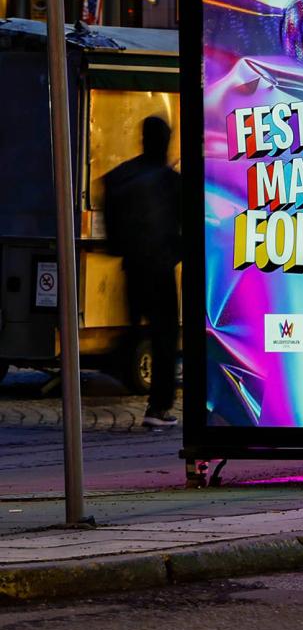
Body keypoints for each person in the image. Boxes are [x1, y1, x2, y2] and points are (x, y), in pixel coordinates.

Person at [102, 116, 182, 427]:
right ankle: (158, 408)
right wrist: (173, 254)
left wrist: (124, 248)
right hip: (160, 271)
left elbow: (112, 232)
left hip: (132, 268)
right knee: (164, 339)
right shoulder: (170, 181)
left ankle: (118, 361)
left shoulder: (121, 177)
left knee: (135, 328)